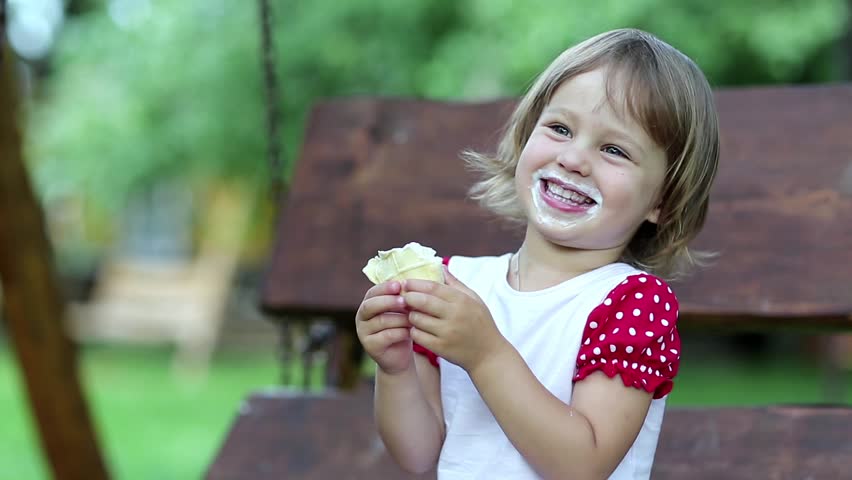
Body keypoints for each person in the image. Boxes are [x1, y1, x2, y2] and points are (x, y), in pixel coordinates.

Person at [355, 28, 719, 480]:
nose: (573, 158)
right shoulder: (457, 286)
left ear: (662, 201)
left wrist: (486, 355)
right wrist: (395, 367)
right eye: (560, 129)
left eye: (614, 149)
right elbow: (417, 454)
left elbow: (583, 465)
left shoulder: (632, 303)